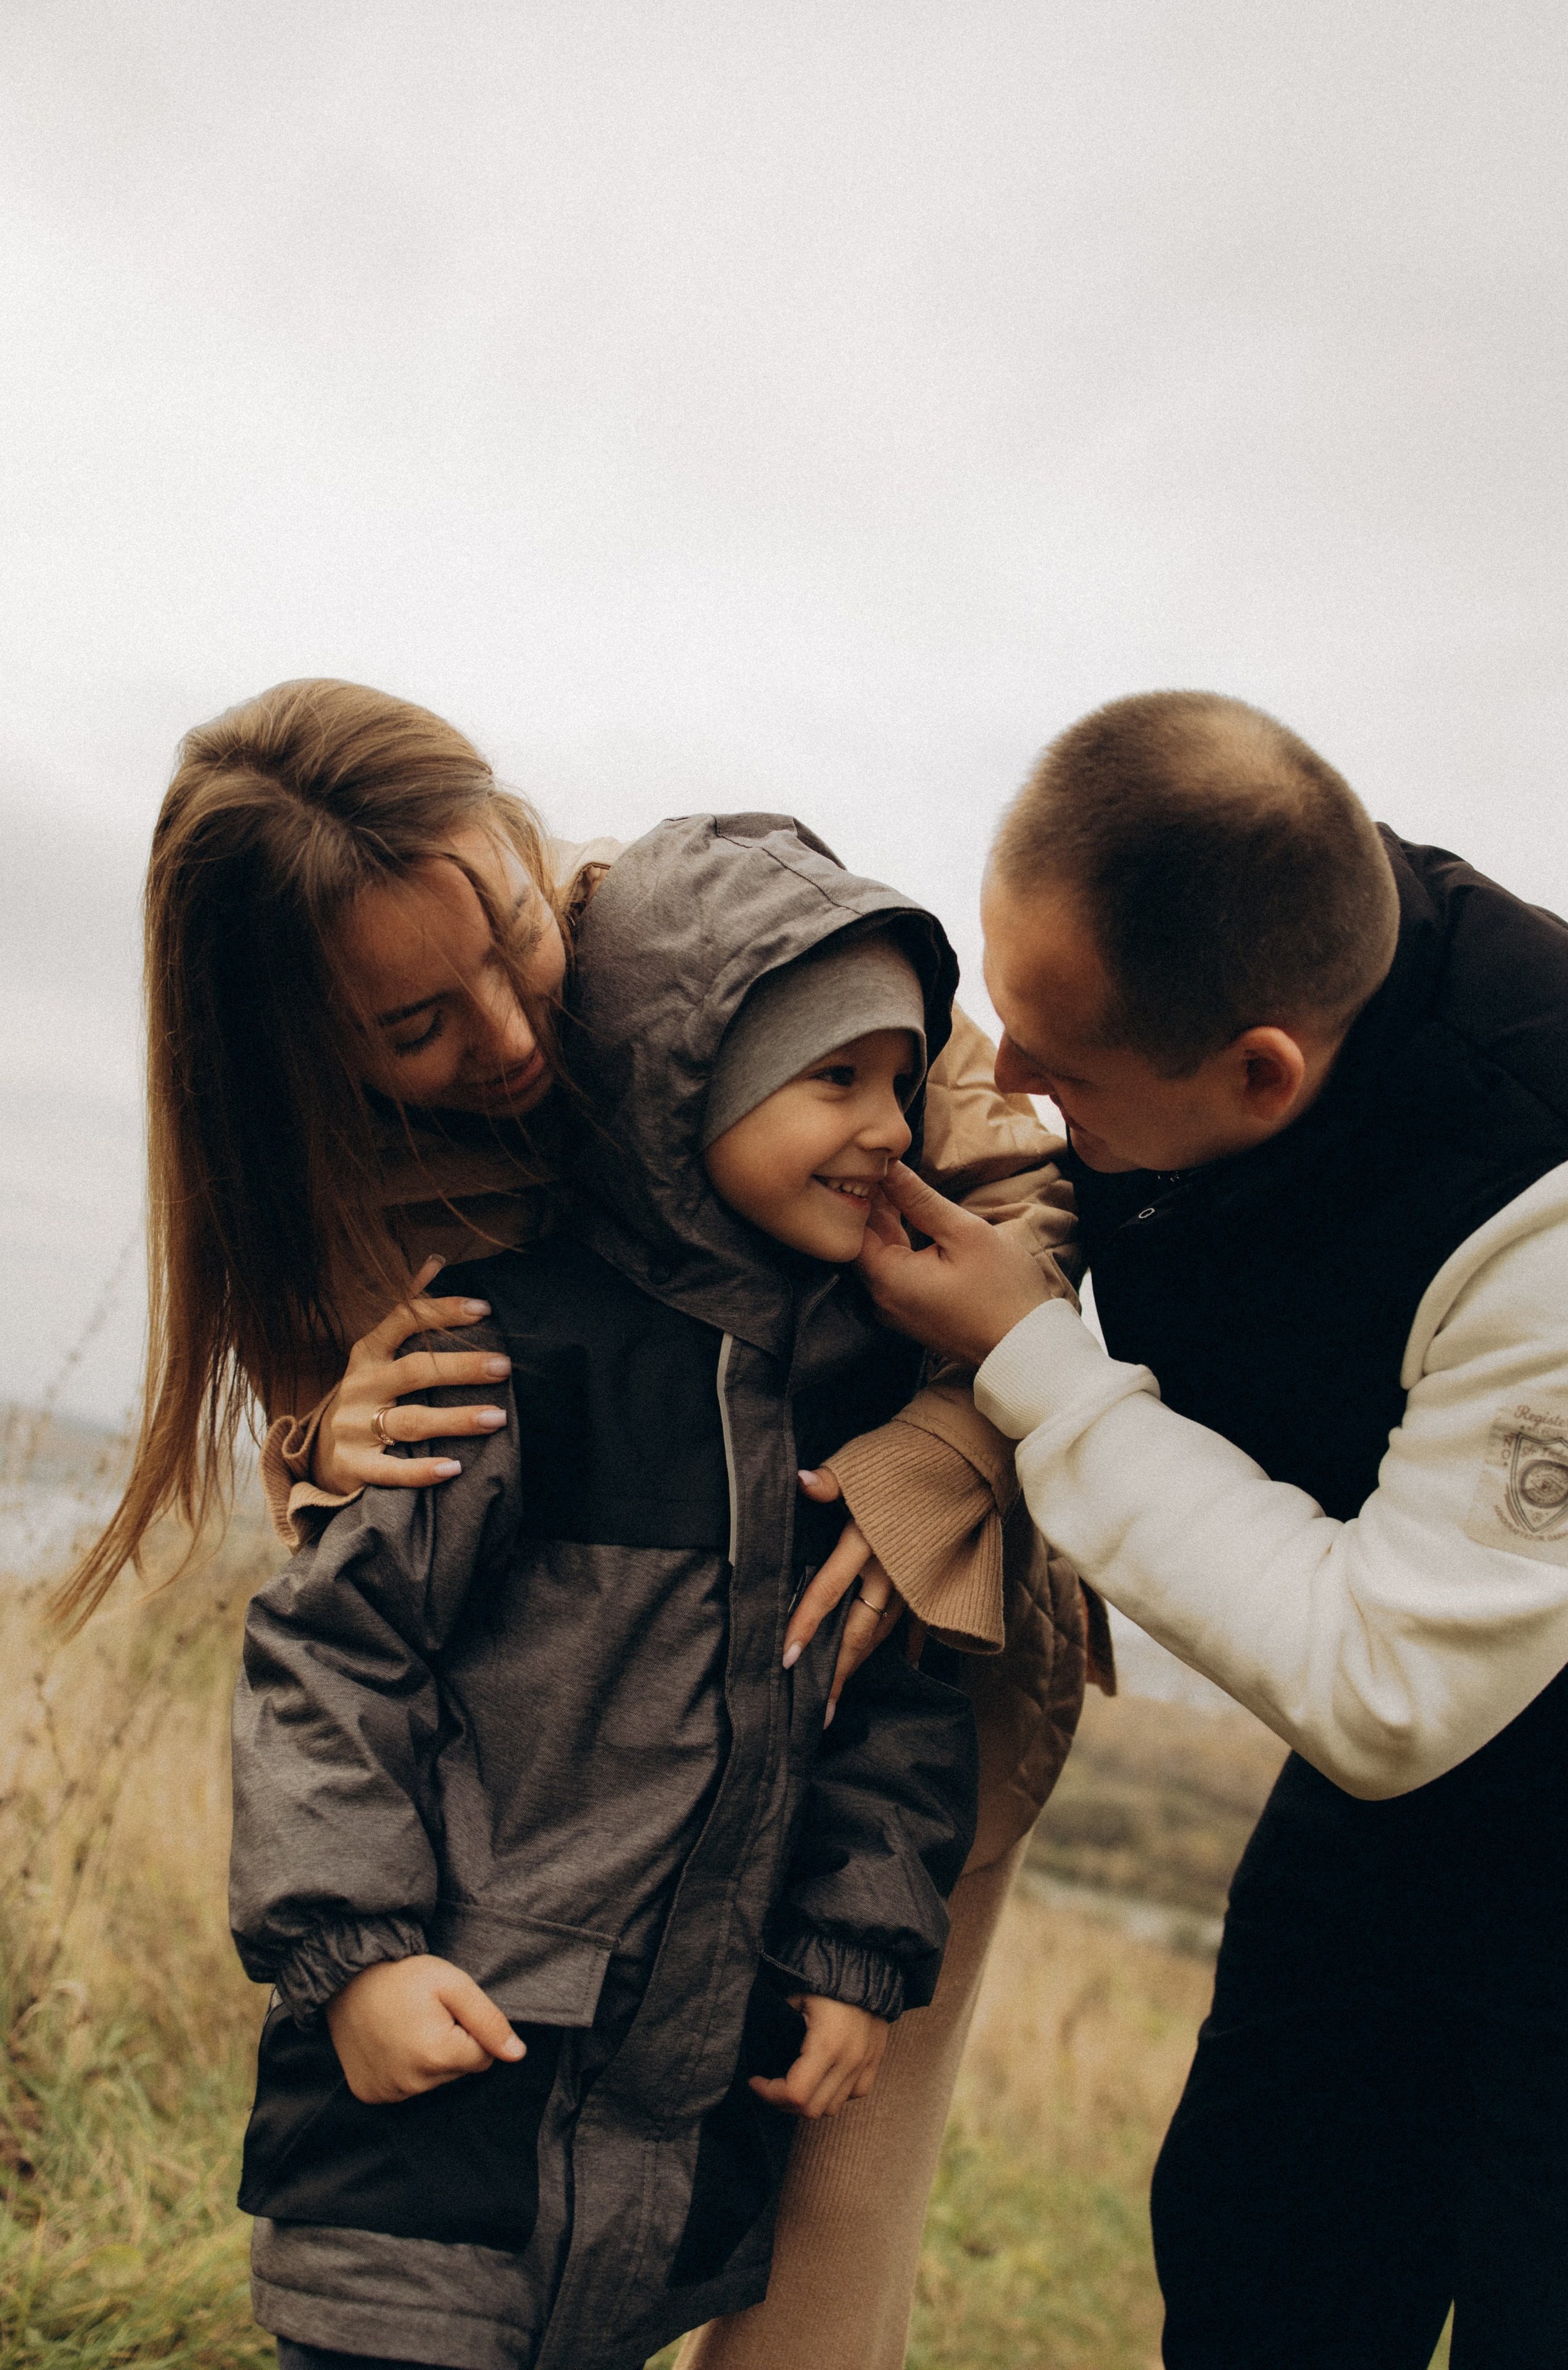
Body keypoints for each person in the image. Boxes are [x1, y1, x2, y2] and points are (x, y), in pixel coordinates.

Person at [62, 681, 1094, 2369]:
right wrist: (327, 1436)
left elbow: (1036, 1201)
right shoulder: (327, 1171)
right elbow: (369, 1532)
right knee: (506, 2237)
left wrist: (938, 1453)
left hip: (878, 1669)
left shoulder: (747, 953)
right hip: (573, 1755)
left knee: (813, 2260)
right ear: (305, 1051)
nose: (512, 1034)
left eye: (519, 930)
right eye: (416, 1029)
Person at [849, 688, 1568, 2368]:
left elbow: (1384, 1676)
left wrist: (1032, 1361)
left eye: (1064, 1067)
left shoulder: (1548, 1191)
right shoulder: (1204, 954)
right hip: (1399, 1817)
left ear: (1264, 1072)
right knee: (1265, 2249)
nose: (1016, 1087)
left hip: (1479, 1730)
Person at [229, 812, 983, 2370]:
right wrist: (351, 1957)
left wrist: (852, 1952)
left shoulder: (852, 1404)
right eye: (833, 1077)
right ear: (679, 1079)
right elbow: (331, 1658)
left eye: (902, 1081)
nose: (893, 1124)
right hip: (429, 2129)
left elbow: (888, 1713)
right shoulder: (502, 1349)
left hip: (660, 2155)